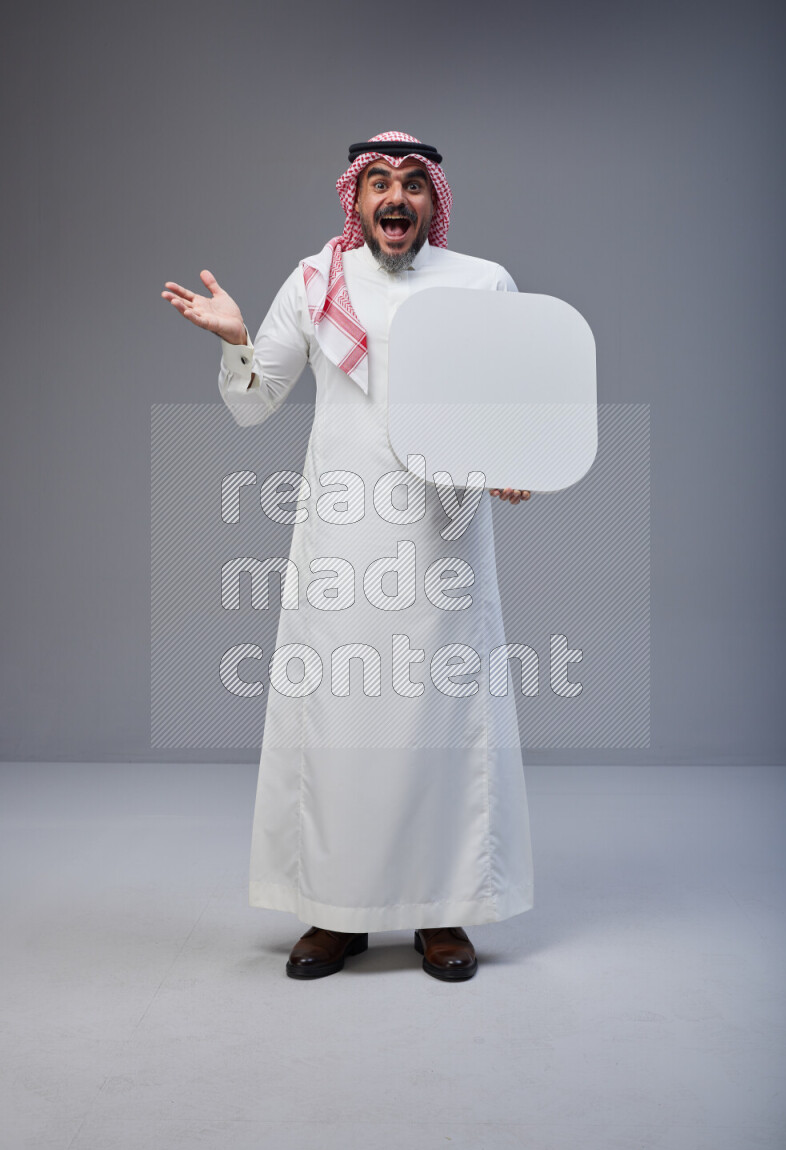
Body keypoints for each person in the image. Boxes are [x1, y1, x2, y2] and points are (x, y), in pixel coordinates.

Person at [162, 131, 533, 983]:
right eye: (378, 184)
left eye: (411, 184)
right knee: (340, 723)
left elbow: (514, 405)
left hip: (444, 541)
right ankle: (336, 912)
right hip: (341, 539)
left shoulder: (483, 284)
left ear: (434, 201)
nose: (395, 199)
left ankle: (443, 914)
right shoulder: (314, 281)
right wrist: (233, 338)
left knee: (441, 722)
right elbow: (257, 405)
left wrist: (516, 459)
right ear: (355, 199)